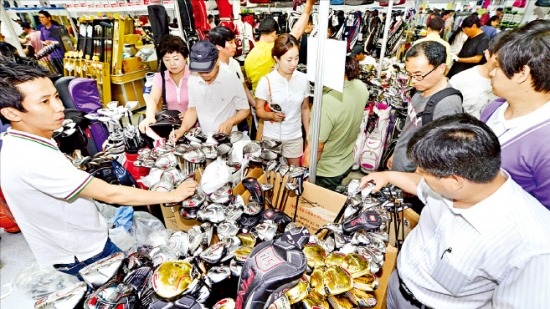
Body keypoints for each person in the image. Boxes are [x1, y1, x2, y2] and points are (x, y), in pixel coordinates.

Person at [0, 61, 197, 277]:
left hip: (70, 245)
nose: (58, 107)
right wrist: (172, 194)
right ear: (12, 113)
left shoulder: (20, 142)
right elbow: (110, 193)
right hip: (84, 254)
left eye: (56, 96)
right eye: (45, 102)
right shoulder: (31, 157)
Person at [360, 113, 550, 309]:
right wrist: (387, 176)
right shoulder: (463, 183)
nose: (418, 173)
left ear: (454, 181)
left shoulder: (531, 247)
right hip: (396, 286)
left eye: (424, 171)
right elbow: (421, 185)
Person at [481, 20, 550, 210]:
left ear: (522, 73)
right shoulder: (493, 108)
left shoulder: (545, 145)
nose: (491, 73)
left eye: (498, 66)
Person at [388, 41, 463, 172]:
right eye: (410, 75)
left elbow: (441, 156)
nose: (413, 81)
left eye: (418, 75)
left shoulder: (447, 106)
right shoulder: (421, 89)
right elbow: (410, 128)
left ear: (441, 68)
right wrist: (396, 153)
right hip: (401, 163)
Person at [304, 56, 369, 191]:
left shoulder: (327, 102)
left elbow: (317, 147)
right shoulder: (361, 87)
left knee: (317, 207)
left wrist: (305, 171)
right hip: (346, 162)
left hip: (325, 171)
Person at [170, 41, 250, 139]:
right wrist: (182, 130)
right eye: (200, 71)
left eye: (208, 70)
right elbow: (192, 109)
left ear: (217, 61)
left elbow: (245, 109)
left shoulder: (231, 78)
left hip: (229, 138)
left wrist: (230, 122)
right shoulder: (193, 79)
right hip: (206, 138)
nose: (204, 74)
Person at [254, 34, 310, 166]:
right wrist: (271, 115)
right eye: (289, 60)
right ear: (276, 59)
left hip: (294, 136)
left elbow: (305, 108)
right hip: (271, 137)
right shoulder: (266, 81)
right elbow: (259, 110)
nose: (294, 64)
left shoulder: (303, 79)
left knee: (294, 174)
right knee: (270, 175)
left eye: (296, 58)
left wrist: (308, 134)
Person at [244, 0, 314, 93]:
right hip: (272, 100)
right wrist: (309, 5)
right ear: (274, 33)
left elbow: (249, 80)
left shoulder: (249, 56)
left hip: (257, 98)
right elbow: (296, 32)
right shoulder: (272, 49)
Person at [138, 35, 191, 133]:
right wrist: (150, 117)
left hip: (195, 128)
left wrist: (192, 113)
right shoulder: (160, 77)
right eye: (167, 59)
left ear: (185, 58)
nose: (172, 64)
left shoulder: (195, 76)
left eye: (176, 58)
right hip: (172, 128)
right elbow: (153, 98)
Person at [208, 26, 257, 128]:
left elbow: (243, 86)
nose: (235, 46)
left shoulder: (234, 63)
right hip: (223, 119)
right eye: (230, 43)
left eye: (234, 42)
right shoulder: (212, 69)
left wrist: (256, 105)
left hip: (240, 115)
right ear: (218, 46)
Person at [449, 34, 500, 119]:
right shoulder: (460, 79)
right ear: (487, 54)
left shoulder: (511, 87)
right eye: (498, 59)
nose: (503, 64)